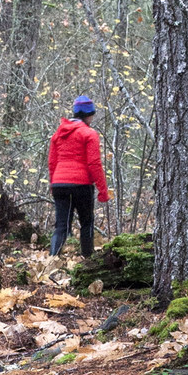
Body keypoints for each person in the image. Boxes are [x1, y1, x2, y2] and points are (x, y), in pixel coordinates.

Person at [46, 95, 110, 258]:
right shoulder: (89, 133)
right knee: (87, 223)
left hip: (60, 183)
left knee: (61, 226)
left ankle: (51, 261)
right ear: (89, 115)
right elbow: (94, 163)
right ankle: (88, 259)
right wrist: (103, 190)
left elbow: (52, 163)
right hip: (82, 185)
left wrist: (53, 185)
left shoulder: (58, 134)